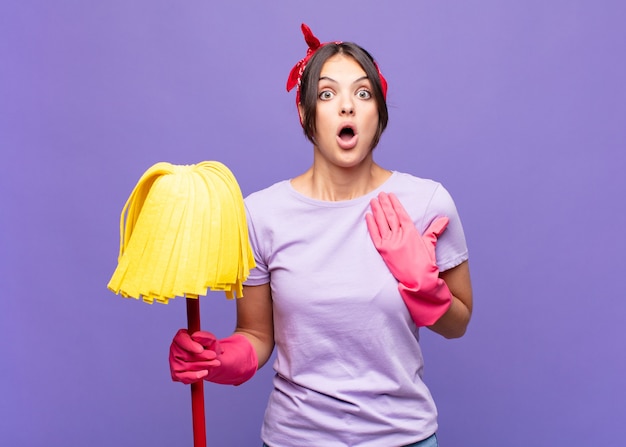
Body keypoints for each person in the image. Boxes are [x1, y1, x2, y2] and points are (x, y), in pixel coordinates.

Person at [169, 23, 473, 447]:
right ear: (305, 111)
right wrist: (217, 360)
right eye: (328, 94)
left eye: (363, 94)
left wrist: (425, 288)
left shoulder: (426, 203)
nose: (347, 106)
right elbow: (256, 336)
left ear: (378, 112)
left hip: (404, 439)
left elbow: (458, 323)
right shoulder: (261, 214)